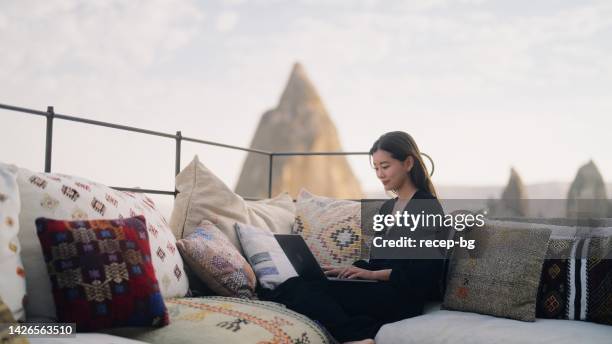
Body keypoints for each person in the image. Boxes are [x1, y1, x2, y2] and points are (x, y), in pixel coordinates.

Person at [258, 131, 445, 344]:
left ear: (408, 163)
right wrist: (352, 270)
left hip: (401, 298)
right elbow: (379, 262)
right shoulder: (387, 209)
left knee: (297, 289)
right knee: (295, 285)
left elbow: (424, 275)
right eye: (376, 168)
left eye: (385, 166)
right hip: (379, 289)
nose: (380, 174)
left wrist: (369, 275)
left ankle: (356, 336)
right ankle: (363, 327)